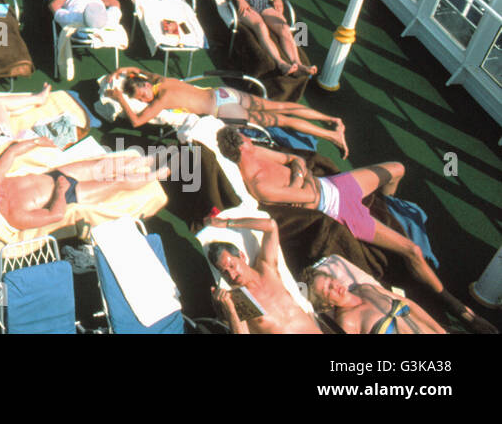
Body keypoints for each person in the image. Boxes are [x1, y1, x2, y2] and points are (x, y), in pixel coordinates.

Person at [216, 126, 496, 334]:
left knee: (397, 168)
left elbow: (294, 162)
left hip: (339, 185)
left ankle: (386, 203)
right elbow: (301, 188)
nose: (250, 137)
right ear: (241, 147)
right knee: (411, 250)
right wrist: (299, 176)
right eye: (227, 270)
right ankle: (460, 309)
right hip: (340, 207)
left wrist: (297, 175)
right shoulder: (258, 185)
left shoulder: (265, 267)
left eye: (230, 263)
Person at [107, 67, 346, 155]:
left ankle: (332, 135)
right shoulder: (161, 80)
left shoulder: (161, 98)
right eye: (141, 98)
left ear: (146, 87)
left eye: (142, 94)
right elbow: (135, 70)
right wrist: (120, 73)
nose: (145, 99)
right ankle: (332, 120)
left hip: (222, 108)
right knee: (280, 107)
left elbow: (137, 122)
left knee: (279, 118)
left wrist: (120, 97)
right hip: (223, 93)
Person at [0, 138, 167, 231]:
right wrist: (61, 191)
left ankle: (148, 160)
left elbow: (11, 153)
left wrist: (37, 141)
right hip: (68, 195)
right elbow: (56, 215)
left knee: (101, 166)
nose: (1, 193)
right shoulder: (15, 216)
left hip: (55, 176)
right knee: (116, 181)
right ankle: (157, 175)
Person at [203, 215, 322, 334]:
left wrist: (226, 223)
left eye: (232, 266)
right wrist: (230, 310)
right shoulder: (240, 298)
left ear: (242, 256)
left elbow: (270, 226)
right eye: (225, 272)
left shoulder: (267, 269)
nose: (232, 275)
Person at [303, 261, 446, 334]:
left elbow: (410, 305)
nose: (334, 287)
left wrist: (442, 331)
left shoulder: (366, 288)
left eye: (330, 281)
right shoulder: (347, 322)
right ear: (326, 304)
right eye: (327, 290)